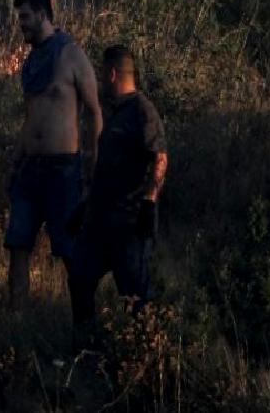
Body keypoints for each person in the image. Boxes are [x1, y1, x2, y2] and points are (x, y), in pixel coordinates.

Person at [5, 0, 102, 310]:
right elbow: (30, 118)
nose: (21, 24)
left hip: (63, 170)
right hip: (29, 169)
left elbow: (94, 111)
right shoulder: (31, 63)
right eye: (20, 17)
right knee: (17, 245)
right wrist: (16, 160)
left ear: (43, 15)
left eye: (26, 17)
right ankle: (16, 323)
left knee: (70, 250)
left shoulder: (71, 54)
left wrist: (91, 163)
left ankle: (83, 324)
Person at [67, 45, 167, 331]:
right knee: (80, 278)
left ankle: (140, 359)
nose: (99, 79)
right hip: (100, 221)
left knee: (135, 299)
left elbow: (159, 158)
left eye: (102, 73)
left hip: (129, 224)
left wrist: (148, 202)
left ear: (112, 74)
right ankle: (86, 345)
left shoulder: (142, 111)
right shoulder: (116, 113)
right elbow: (107, 168)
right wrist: (86, 206)